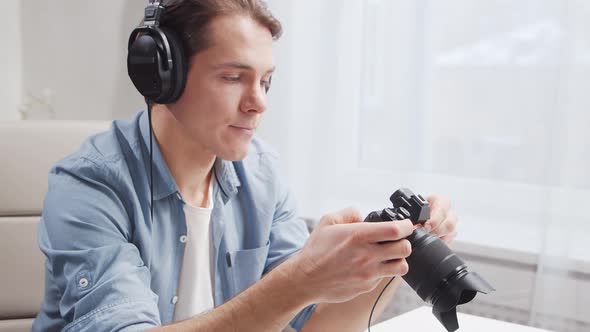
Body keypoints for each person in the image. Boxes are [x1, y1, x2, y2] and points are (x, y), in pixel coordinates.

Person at [32, 1, 458, 331]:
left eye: (266, 80)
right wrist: (299, 281)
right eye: (234, 77)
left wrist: (389, 258)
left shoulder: (261, 174)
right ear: (161, 76)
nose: (259, 103)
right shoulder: (88, 186)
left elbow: (311, 325)